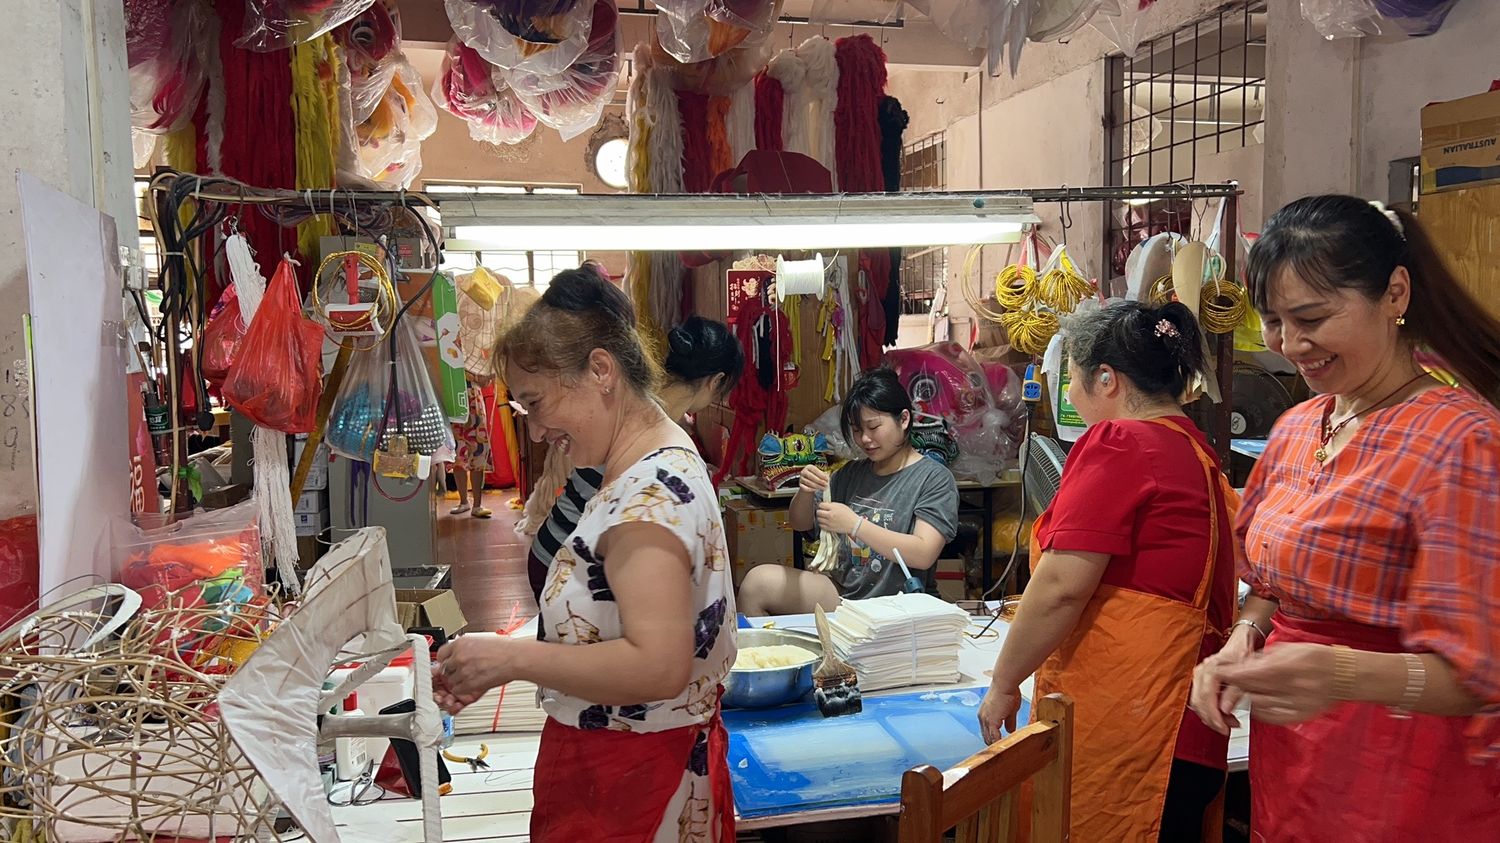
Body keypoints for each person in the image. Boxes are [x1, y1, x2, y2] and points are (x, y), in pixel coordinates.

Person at [1189, 195, 1500, 841]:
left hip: (1408, 769)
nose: (1290, 344)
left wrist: (1339, 672)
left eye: (1312, 317)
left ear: (1395, 293)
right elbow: (1271, 586)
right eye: (1273, 321)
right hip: (1298, 760)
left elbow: (1481, 673)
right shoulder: (1301, 425)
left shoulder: (1461, 440)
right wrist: (1246, 635)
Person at [433, 268, 737, 842]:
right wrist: (502, 660)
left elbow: (658, 665)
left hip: (632, 782)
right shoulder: (656, 454)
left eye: (537, 402)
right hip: (629, 765)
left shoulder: (646, 497)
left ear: (601, 370)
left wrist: (512, 660)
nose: (539, 430)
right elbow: (616, 629)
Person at [977, 300, 1237, 843]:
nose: (1068, 396)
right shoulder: (1196, 451)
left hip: (1137, 726)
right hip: (1184, 731)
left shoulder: (1124, 442)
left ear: (1106, 378)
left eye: (1070, 380)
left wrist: (1004, 683)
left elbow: (1060, 590)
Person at [525, 315, 744, 601]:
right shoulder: (647, 425)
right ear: (717, 381)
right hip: (563, 560)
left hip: (555, 545)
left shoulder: (644, 404)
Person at [736, 368, 959, 616]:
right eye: (856, 429)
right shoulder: (851, 473)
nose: (864, 439)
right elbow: (800, 523)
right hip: (843, 595)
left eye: (873, 427)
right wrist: (805, 491)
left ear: (904, 419)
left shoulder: (933, 478)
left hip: (899, 604)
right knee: (756, 585)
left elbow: (923, 553)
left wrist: (855, 525)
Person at [449, 373, 494, 518]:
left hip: (473, 397)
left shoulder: (475, 353)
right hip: (453, 397)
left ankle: (477, 504)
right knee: (457, 449)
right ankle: (463, 501)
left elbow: (486, 381)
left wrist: (476, 376)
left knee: (478, 448)